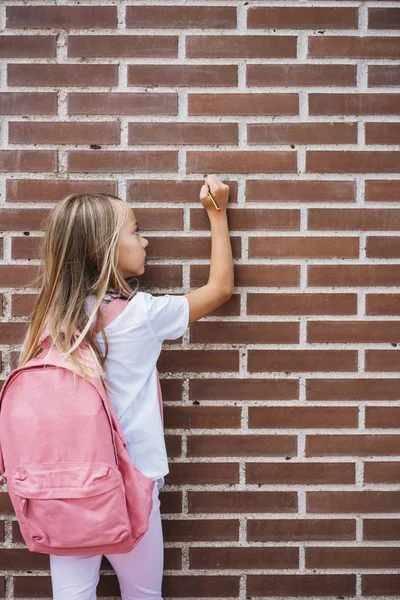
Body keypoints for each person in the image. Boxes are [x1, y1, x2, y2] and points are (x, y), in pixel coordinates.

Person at [17, 174, 234, 600]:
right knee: (142, 594)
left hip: (65, 487)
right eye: (135, 231)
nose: (146, 241)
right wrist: (217, 212)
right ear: (107, 250)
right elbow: (220, 289)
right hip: (132, 484)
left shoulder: (48, 322)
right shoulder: (142, 315)